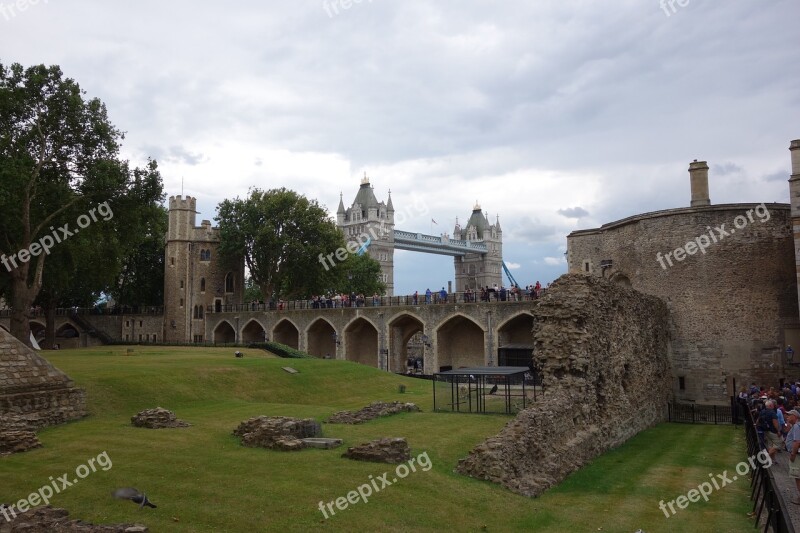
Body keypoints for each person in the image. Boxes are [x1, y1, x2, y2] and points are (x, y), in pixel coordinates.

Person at [785, 409, 800, 504]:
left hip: (797, 454)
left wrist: (793, 454)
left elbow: (797, 441)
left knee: (797, 476)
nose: (787, 417)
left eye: (789, 415)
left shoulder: (796, 426)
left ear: (795, 416)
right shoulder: (795, 426)